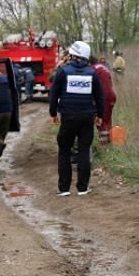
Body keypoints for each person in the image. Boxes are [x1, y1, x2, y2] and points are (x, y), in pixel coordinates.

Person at [49, 41, 104, 197]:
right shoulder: (92, 73)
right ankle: (83, 188)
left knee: (64, 150)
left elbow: (54, 95)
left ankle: (64, 188)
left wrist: (53, 113)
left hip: (68, 117)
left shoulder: (62, 72)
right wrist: (100, 115)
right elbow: (99, 96)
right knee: (84, 151)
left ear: (72, 55)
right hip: (87, 117)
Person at [89, 56, 116, 144]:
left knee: (101, 122)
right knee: (107, 121)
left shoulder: (93, 69)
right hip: (111, 96)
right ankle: (109, 143)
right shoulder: (103, 68)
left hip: (104, 97)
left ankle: (104, 146)